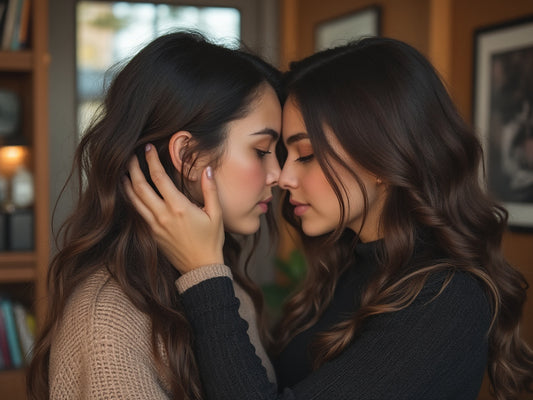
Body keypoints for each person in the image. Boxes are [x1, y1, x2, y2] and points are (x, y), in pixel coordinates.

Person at [125, 37, 533, 399]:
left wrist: (204, 273)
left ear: (381, 159)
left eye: (305, 155)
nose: (283, 177)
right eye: (281, 153)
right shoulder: (348, 267)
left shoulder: (446, 300)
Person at [27, 31, 282, 400]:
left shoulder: (220, 284)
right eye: (261, 150)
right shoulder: (108, 318)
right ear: (189, 156)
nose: (278, 174)